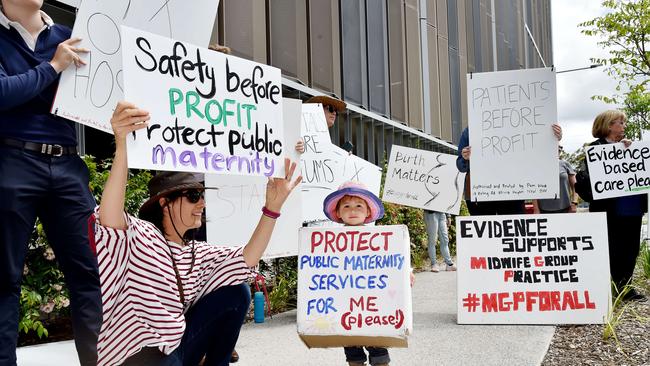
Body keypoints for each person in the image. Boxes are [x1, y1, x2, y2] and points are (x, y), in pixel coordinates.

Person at [93, 101, 302, 365]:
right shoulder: (140, 236)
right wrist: (121, 143)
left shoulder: (198, 252)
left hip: (176, 351)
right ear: (164, 203)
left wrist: (272, 208)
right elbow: (110, 217)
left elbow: (248, 259)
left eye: (202, 195)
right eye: (193, 196)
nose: (201, 204)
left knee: (238, 292)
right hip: (136, 357)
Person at [0, 1, 101, 365]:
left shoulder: (75, 36)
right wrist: (54, 66)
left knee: (91, 273)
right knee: (4, 280)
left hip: (68, 162)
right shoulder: (59, 49)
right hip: (12, 161)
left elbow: (104, 95)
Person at [323, 181, 414, 366]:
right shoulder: (329, 243)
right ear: (338, 213)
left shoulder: (380, 239)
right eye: (346, 206)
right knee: (352, 353)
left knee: (379, 352)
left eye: (358, 206)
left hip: (374, 310)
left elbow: (394, 260)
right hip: (345, 309)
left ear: (368, 212)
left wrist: (406, 273)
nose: (353, 210)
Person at [587, 110, 646, 301]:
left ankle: (625, 287)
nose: (624, 126)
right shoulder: (594, 150)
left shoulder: (630, 147)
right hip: (608, 210)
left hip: (631, 208)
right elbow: (587, 183)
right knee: (612, 248)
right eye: (620, 122)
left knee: (631, 249)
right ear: (609, 125)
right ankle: (609, 287)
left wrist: (630, 150)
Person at [456, 124, 563, 215]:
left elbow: (537, 150)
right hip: (482, 193)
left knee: (514, 233)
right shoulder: (472, 130)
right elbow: (460, 166)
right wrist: (465, 158)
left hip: (512, 191)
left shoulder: (523, 126)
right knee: (484, 235)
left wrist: (553, 138)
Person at [533, 145, 578, 214]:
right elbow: (533, 188)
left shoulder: (565, 164)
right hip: (543, 210)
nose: (559, 150)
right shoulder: (538, 166)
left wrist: (574, 203)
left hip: (565, 209)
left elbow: (575, 187)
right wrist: (536, 208)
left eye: (560, 148)